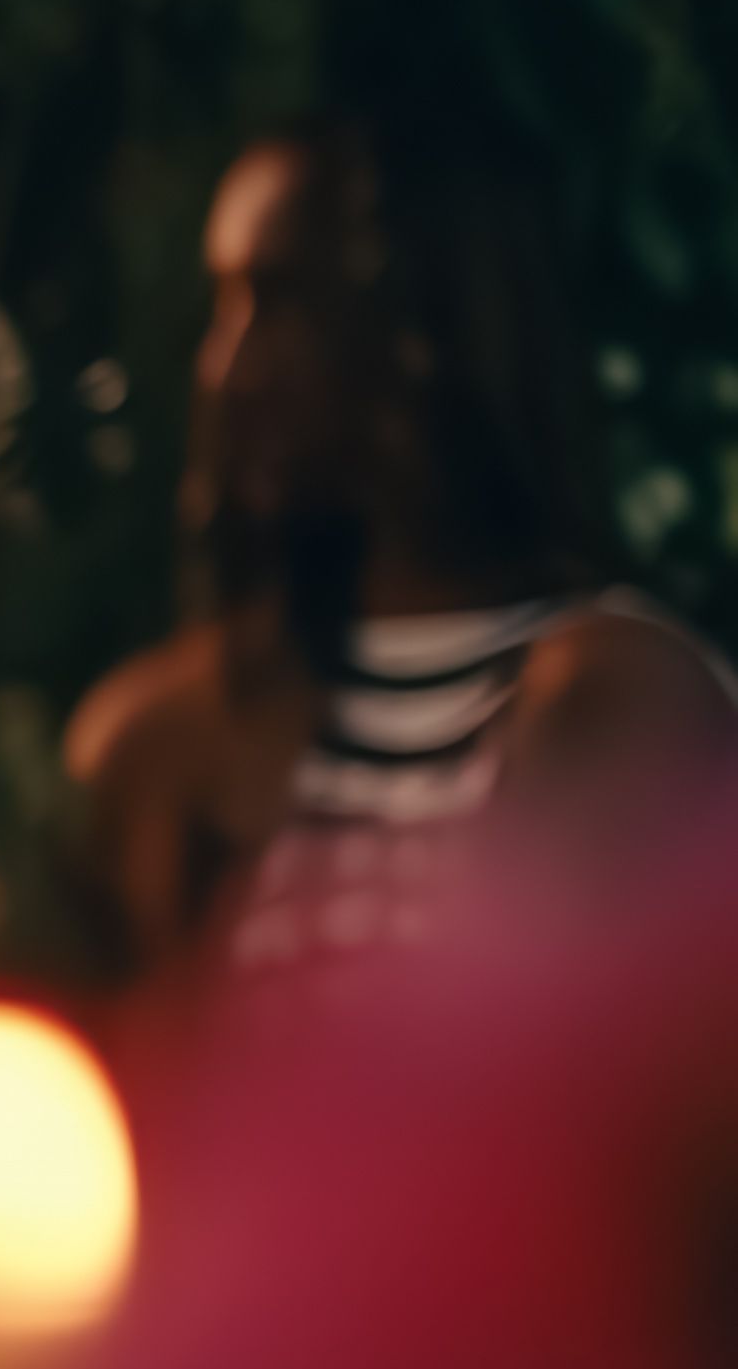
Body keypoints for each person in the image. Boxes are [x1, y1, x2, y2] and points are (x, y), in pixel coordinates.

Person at [66, 126, 738, 979]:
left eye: (280, 304)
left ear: (427, 330)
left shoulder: (620, 697)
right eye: (223, 308)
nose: (228, 369)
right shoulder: (165, 741)